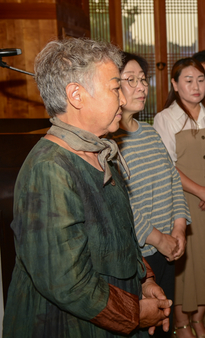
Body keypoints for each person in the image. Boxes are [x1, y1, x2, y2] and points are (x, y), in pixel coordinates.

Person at [2, 38, 172, 337]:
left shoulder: (100, 152)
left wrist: (145, 280)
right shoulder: (50, 169)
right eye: (115, 87)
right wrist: (134, 313)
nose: (122, 99)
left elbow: (122, 236)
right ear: (77, 95)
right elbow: (67, 282)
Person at [153, 58, 205, 338]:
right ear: (175, 85)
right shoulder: (164, 118)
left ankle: (199, 320)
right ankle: (180, 323)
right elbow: (167, 165)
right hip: (183, 201)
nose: (196, 86)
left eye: (200, 80)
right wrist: (201, 191)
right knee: (185, 263)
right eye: (188, 80)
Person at [109, 52, 193, 337]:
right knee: (144, 328)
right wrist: (159, 239)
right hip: (140, 255)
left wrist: (180, 228)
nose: (142, 87)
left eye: (143, 80)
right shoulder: (107, 141)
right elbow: (122, 204)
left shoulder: (149, 132)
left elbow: (172, 180)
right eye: (130, 80)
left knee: (164, 322)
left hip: (169, 246)